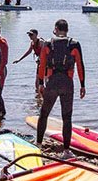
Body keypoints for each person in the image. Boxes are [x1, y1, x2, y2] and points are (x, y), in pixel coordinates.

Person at [36, 19, 86, 159]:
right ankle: (66, 150)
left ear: (56, 29)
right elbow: (80, 65)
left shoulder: (48, 43)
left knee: (44, 114)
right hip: (67, 83)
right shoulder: (74, 44)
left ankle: (38, 146)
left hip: (52, 83)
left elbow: (42, 65)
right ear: (67, 29)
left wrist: (41, 83)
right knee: (67, 117)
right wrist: (82, 84)